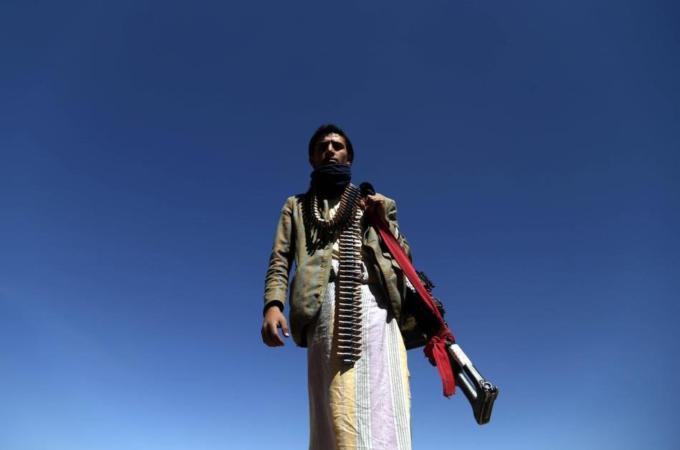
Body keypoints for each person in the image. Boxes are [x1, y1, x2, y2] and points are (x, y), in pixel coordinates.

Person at [261, 124, 413, 450]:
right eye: (322, 146)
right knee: (332, 405)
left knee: (383, 401)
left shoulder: (375, 202)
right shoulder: (296, 206)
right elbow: (280, 258)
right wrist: (273, 304)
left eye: (337, 145)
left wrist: (382, 222)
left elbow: (404, 257)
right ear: (312, 158)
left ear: (349, 157)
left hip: (376, 305)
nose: (330, 149)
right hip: (323, 305)